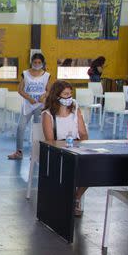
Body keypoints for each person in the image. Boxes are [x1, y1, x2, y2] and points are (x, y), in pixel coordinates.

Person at [42, 81, 89, 216]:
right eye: (65, 94)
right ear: (57, 96)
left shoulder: (75, 110)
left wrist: (80, 144)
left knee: (90, 170)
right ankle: (68, 198)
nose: (69, 98)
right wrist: (66, 145)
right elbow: (50, 140)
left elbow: (84, 133)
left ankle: (75, 197)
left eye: (70, 94)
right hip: (58, 150)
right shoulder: (48, 115)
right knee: (68, 168)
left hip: (76, 148)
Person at [8, 53, 51, 160]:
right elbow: (20, 90)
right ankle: (19, 152)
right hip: (28, 104)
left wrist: (44, 95)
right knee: (21, 127)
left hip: (40, 106)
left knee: (37, 129)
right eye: (35, 62)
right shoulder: (25, 74)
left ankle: (36, 153)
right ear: (31, 62)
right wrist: (29, 98)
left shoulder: (46, 75)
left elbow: (49, 90)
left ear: (42, 63)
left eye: (39, 62)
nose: (37, 64)